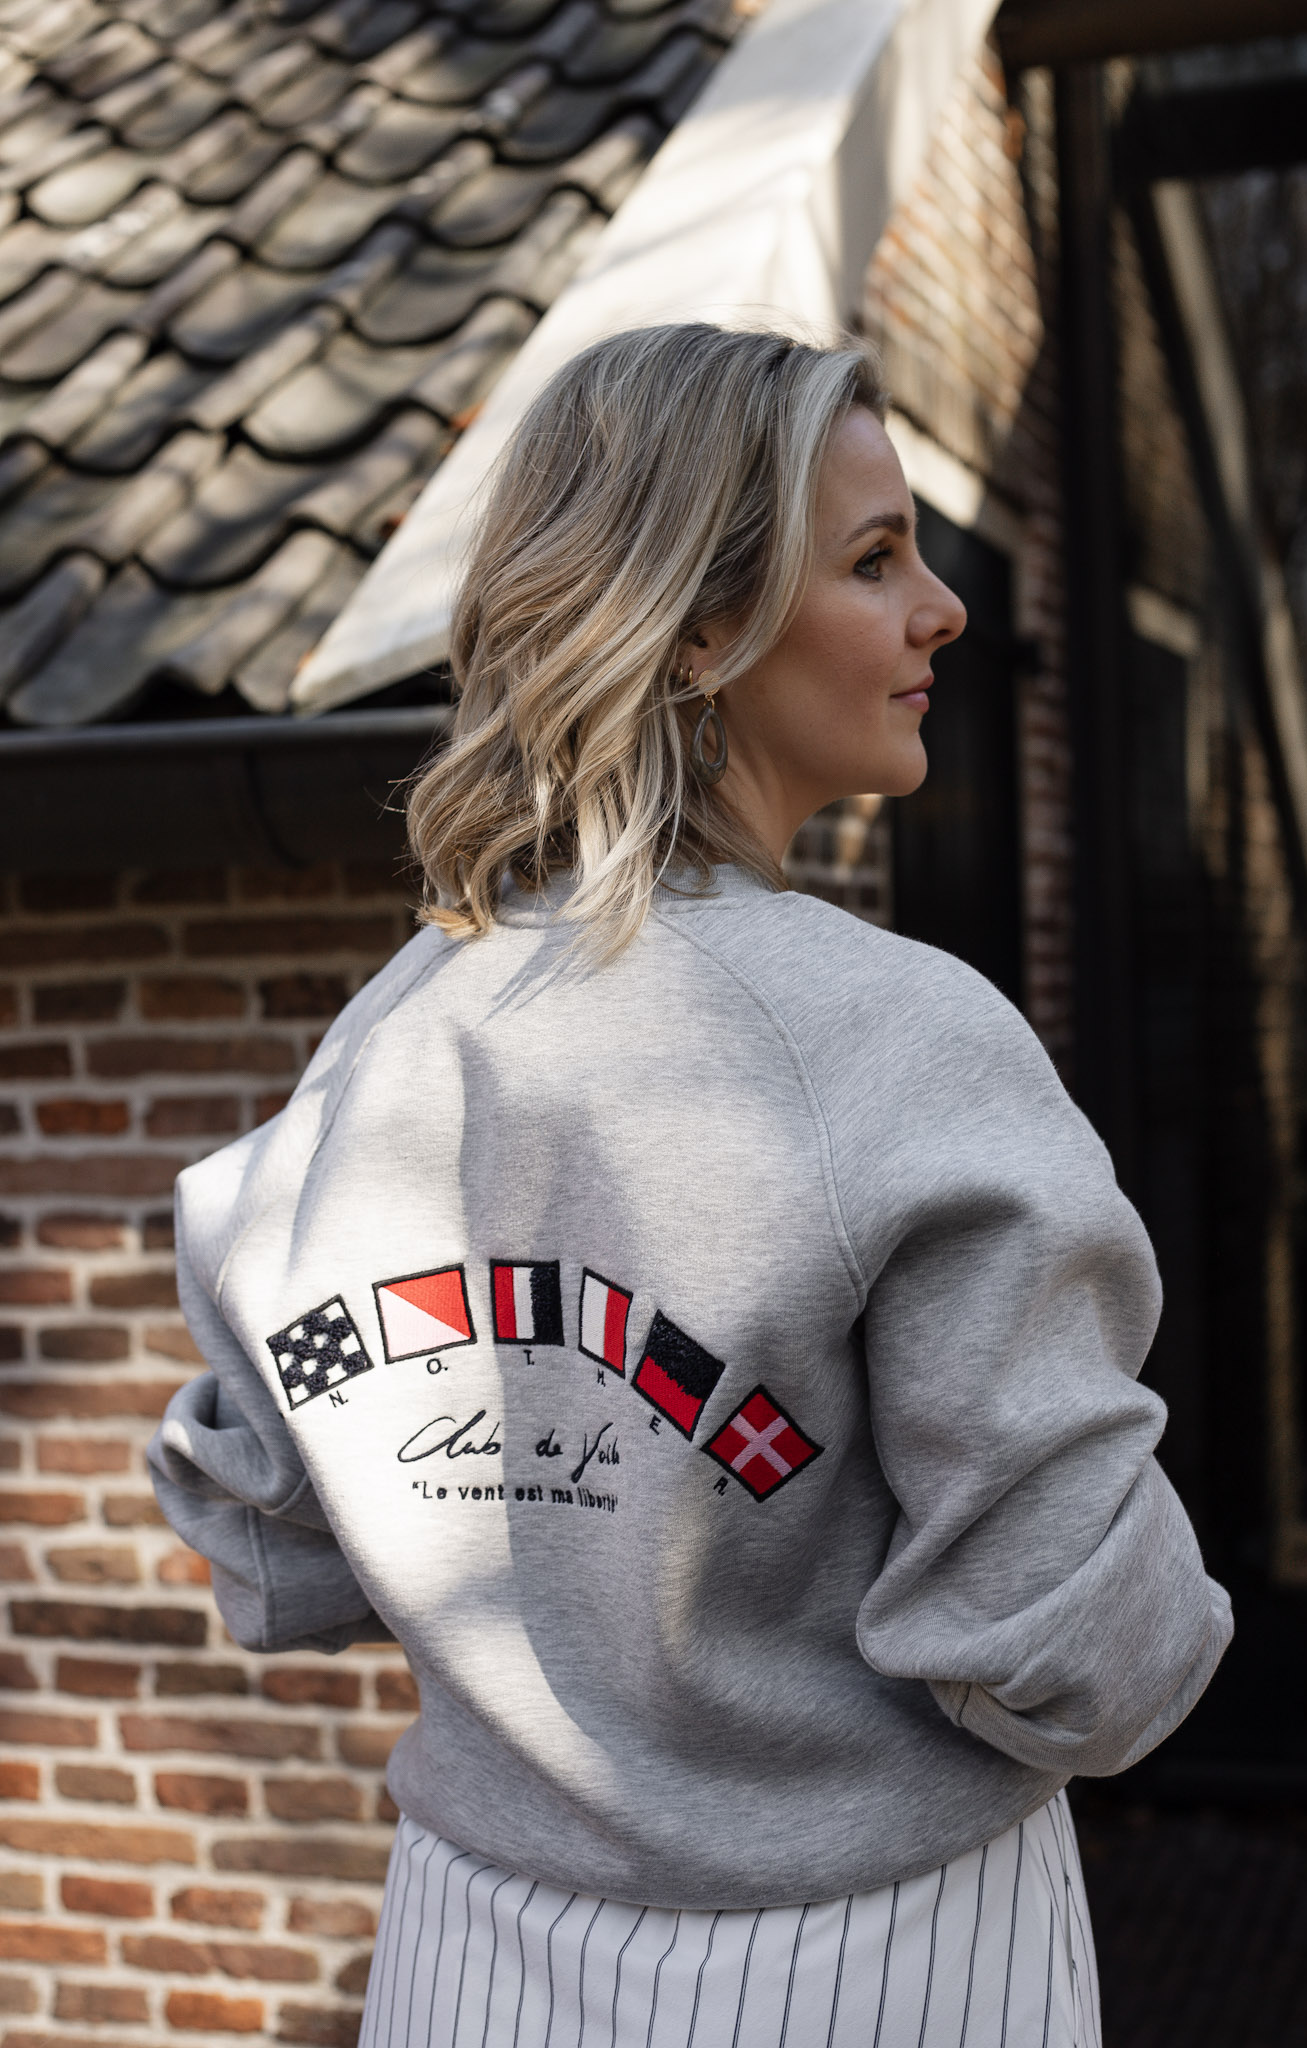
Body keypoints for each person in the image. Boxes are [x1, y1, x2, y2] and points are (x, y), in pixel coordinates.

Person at [148, 323, 1232, 2047]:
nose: (943, 609)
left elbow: (268, 1538)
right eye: (874, 559)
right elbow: (1082, 1655)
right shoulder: (900, 1036)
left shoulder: (380, 1043)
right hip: (876, 1965)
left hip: (465, 1958)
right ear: (702, 627)